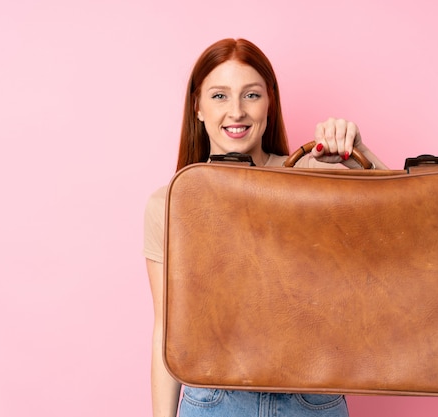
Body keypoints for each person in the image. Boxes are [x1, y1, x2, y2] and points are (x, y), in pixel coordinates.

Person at [143, 38, 388, 417]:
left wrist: (359, 152)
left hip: (312, 400)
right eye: (220, 96)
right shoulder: (173, 202)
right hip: (212, 402)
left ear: (269, 103)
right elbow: (167, 329)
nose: (236, 111)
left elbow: (397, 226)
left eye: (251, 95)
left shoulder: (311, 176)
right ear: (197, 106)